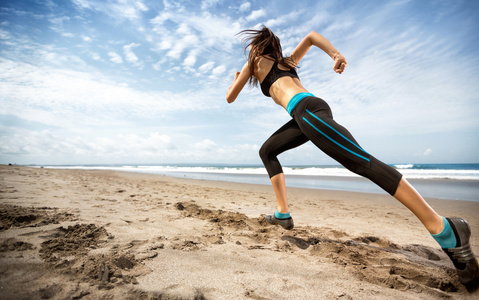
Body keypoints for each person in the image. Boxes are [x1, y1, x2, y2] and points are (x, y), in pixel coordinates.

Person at [226, 26, 478, 292]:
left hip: (305, 111)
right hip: (309, 110)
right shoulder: (286, 62)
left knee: (362, 162)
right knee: (267, 151)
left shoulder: (253, 62)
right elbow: (311, 37)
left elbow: (230, 97)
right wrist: (335, 55)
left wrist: (235, 78)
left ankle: (445, 229)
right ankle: (283, 214)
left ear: (256, 48)